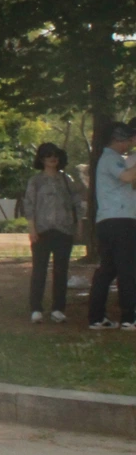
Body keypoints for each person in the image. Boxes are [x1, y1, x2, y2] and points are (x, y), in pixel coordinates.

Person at [24, 142, 82, 324]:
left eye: (55, 155)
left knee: (61, 271)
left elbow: (77, 203)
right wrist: (32, 229)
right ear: (41, 159)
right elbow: (29, 205)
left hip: (64, 230)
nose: (52, 158)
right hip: (42, 231)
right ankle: (36, 309)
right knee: (39, 270)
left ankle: (58, 309)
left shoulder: (67, 179)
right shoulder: (35, 181)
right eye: (48, 155)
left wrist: (79, 225)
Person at [88, 122, 136, 330]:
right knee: (127, 269)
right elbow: (127, 176)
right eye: (128, 139)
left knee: (107, 270)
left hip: (109, 221)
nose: (129, 143)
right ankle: (128, 318)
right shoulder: (110, 158)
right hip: (120, 221)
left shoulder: (114, 159)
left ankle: (96, 317)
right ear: (117, 138)